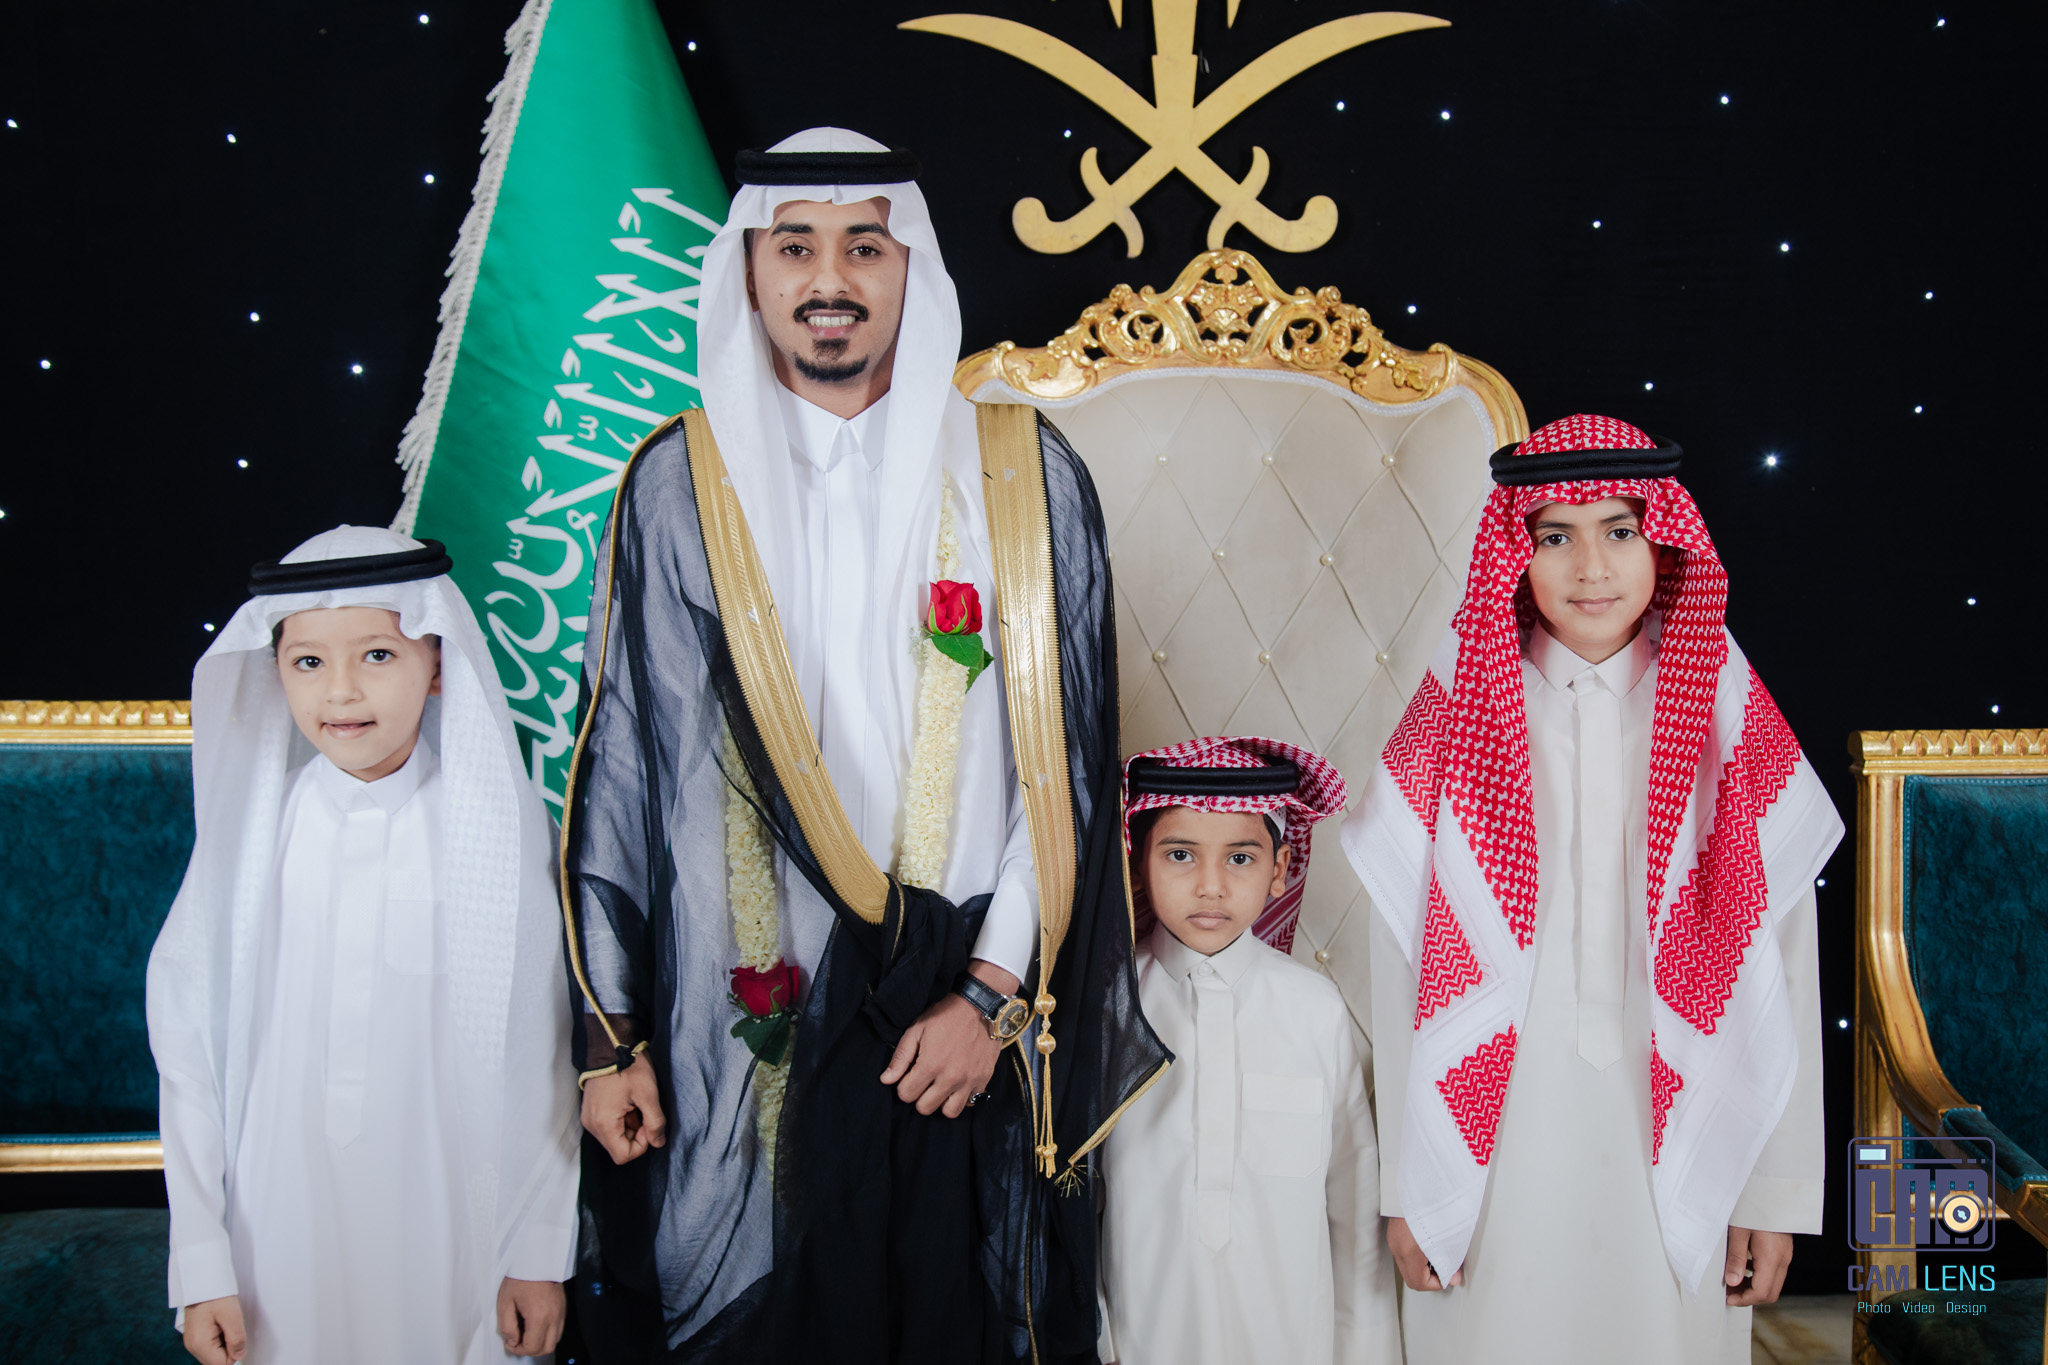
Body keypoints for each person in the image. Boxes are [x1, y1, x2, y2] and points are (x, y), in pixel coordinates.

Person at [561, 127, 1166, 1364]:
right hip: (744, 1028)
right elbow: (623, 767)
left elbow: (1066, 773)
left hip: (957, 1020)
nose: (827, 278)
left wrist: (988, 998)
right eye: (794, 247)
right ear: (748, 272)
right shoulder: (676, 485)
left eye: (862, 248)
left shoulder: (1020, 475)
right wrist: (610, 1041)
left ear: (911, 270)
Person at [1343, 415, 1843, 1363]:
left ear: (1663, 542)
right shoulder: (1461, 702)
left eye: (1619, 530)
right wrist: (1410, 1185)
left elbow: (1780, 955)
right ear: (1515, 553)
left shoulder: (1723, 706)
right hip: (1494, 1148)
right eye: (1555, 537)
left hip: (1679, 1129)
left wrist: (1774, 1191)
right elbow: (1403, 955)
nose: (1591, 567)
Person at [146, 526, 579, 1364]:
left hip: (453, 1223)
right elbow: (188, 1058)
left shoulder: (495, 836)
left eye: (378, 655)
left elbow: (542, 1055)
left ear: (438, 663)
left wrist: (536, 1251)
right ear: (274, 671)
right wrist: (200, 1261)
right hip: (277, 1226)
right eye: (308, 661)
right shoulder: (248, 843)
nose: (340, 690)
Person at [1097, 737, 1401, 1365]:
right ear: (1138, 865)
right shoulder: (1109, 1009)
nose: (1211, 886)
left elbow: (1353, 1205)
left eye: (1240, 858)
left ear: (1280, 868)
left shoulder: (1314, 1011)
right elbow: (1079, 1200)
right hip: (1139, 1338)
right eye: (1180, 855)